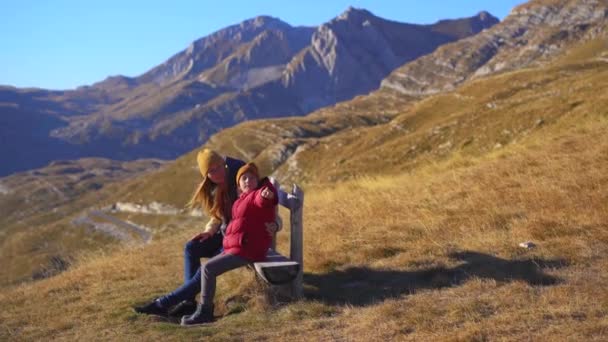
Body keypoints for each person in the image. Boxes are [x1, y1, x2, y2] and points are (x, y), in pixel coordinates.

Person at [134, 150, 280, 318]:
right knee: (192, 247)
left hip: (241, 240)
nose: (217, 172)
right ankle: (188, 303)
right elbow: (218, 216)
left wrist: (276, 224)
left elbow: (265, 202)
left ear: (224, 164)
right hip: (228, 234)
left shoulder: (242, 175)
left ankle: (163, 303)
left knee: (206, 269)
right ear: (207, 176)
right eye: (211, 171)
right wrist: (209, 231)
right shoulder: (215, 187)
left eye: (219, 166)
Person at [181, 162, 277, 325]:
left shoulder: (257, 194)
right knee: (207, 267)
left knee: (208, 269)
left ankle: (204, 311)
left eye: (252, 178)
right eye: (244, 178)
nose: (248, 181)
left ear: (257, 180)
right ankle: (200, 308)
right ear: (238, 183)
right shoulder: (241, 199)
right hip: (239, 246)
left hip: (248, 249)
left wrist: (266, 195)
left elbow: (264, 200)